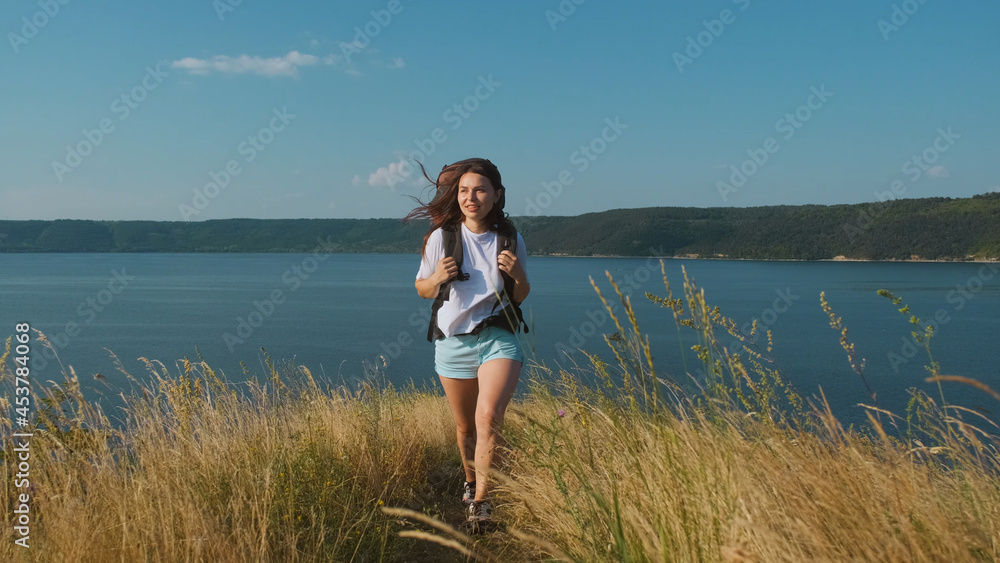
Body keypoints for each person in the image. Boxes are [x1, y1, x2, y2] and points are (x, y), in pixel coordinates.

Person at [407, 157, 530, 531]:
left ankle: (481, 502)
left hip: (498, 337)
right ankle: (471, 479)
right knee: (465, 429)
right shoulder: (441, 238)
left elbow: (520, 295)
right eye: (463, 191)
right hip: (453, 341)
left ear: (497, 195)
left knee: (488, 417)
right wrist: (437, 277)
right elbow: (421, 289)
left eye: (479, 190)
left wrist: (518, 275)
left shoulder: (510, 239)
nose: (470, 197)